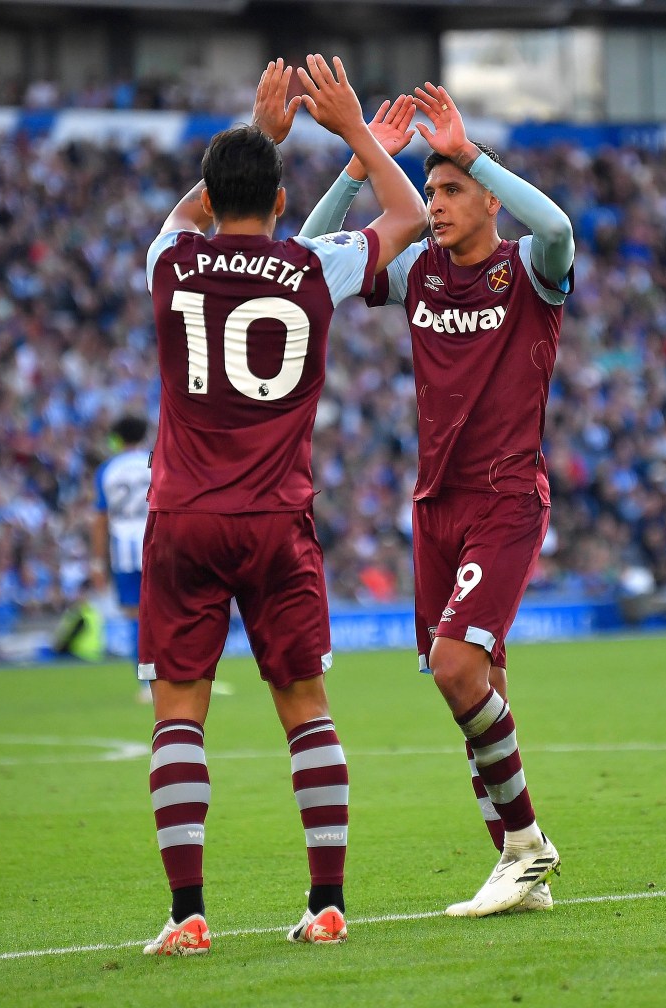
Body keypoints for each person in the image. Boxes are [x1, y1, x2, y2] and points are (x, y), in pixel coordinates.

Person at [139, 56, 425, 955]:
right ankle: (327, 901)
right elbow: (411, 217)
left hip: (183, 514)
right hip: (276, 519)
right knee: (305, 705)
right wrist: (352, 134)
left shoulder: (170, 263)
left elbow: (186, 215)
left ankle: (188, 915)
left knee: (179, 710)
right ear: (277, 196)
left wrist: (260, 135)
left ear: (216, 193)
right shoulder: (314, 264)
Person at [301, 82, 574, 916]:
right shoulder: (416, 267)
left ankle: (527, 845)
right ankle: (513, 869)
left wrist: (475, 151)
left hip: (502, 497)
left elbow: (558, 226)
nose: (435, 204)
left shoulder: (528, 268)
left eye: (451, 190)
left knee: (458, 668)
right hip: (435, 506)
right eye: (429, 191)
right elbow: (304, 265)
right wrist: (355, 169)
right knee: (472, 682)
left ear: (489, 198)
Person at [91, 413, 152, 700]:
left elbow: (100, 519)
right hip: (158, 544)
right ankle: (183, 676)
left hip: (123, 551)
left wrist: (96, 562)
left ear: (118, 439)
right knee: (168, 613)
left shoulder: (108, 469)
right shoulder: (156, 461)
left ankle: (146, 684)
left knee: (135, 620)